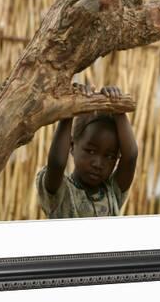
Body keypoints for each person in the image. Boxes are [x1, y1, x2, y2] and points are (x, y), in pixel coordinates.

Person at [35, 83, 138, 219]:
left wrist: (117, 108)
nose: (98, 163)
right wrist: (70, 109)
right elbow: (58, 163)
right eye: (90, 151)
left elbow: (130, 156)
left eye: (109, 156)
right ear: (71, 146)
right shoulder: (60, 193)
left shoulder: (113, 192)